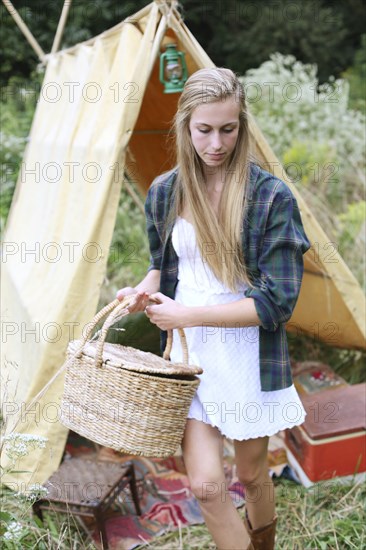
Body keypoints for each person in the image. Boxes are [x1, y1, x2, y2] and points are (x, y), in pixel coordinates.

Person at [117, 67, 310, 550]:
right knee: (206, 485)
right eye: (204, 130)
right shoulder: (165, 191)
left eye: (228, 129)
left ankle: (263, 541)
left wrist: (189, 315)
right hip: (189, 354)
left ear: (241, 125)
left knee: (250, 473)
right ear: (185, 126)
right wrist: (142, 290)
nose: (216, 143)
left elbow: (276, 302)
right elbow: (169, 267)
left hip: (245, 348)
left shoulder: (270, 196)